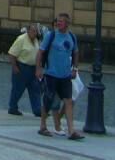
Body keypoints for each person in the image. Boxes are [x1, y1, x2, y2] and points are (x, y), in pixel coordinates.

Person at [35, 13, 84, 141]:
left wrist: (75, 68)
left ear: (67, 24)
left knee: (68, 101)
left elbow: (76, 52)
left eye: (61, 21)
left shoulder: (72, 37)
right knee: (48, 100)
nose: (58, 23)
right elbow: (40, 52)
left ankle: (71, 131)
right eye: (57, 21)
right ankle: (43, 126)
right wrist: (38, 68)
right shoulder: (50, 35)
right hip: (51, 74)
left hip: (66, 76)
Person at [6, 23, 41, 117]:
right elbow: (11, 54)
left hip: (33, 68)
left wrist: (38, 69)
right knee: (17, 89)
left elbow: (38, 55)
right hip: (22, 67)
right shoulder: (21, 39)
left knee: (35, 89)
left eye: (36, 31)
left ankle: (38, 110)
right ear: (28, 31)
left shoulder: (36, 41)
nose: (35, 33)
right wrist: (15, 67)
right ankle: (12, 108)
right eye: (33, 31)